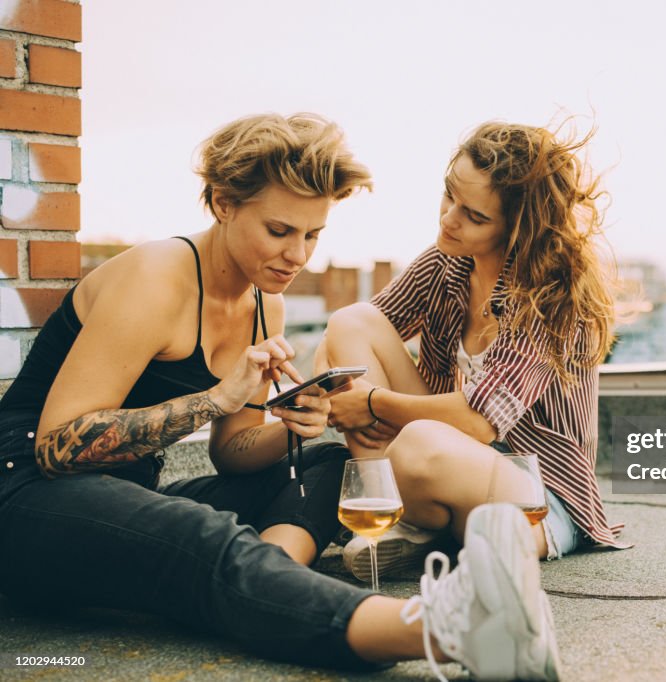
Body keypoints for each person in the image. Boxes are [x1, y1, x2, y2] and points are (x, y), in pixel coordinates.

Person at [0, 113, 561, 680]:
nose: (298, 255)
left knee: (327, 464)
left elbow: (231, 453)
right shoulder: (156, 274)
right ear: (223, 203)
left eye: (312, 234)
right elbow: (55, 449)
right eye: (279, 230)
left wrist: (292, 423)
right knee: (204, 540)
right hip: (26, 495)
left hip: (125, 495)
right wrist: (215, 400)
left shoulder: (265, 302)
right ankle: (451, 630)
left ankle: (262, 589)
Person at [318, 119, 630, 582]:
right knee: (349, 321)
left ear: (519, 229)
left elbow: (480, 422)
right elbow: (360, 338)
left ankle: (425, 528)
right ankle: (404, 520)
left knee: (419, 443)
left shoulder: (550, 296)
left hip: (536, 492)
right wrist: (328, 389)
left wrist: (366, 403)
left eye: (475, 216)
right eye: (449, 195)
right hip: (446, 457)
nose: (449, 218)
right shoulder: (446, 260)